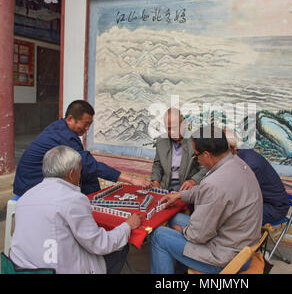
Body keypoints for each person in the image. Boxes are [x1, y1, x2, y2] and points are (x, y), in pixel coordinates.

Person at [10, 145, 142, 274]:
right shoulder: (73, 199)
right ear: (71, 173)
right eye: (80, 170)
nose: (80, 175)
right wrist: (127, 226)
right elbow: (99, 244)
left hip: (21, 267)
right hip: (55, 269)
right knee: (120, 248)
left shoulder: (27, 195)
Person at [149, 125, 263, 274]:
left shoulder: (215, 183)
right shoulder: (237, 164)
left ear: (207, 155)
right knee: (175, 217)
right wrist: (179, 195)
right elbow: (206, 192)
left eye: (196, 155)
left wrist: (183, 232)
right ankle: (182, 266)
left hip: (225, 258)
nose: (197, 160)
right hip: (238, 244)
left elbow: (197, 235)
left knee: (159, 236)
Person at [13, 100, 151, 196]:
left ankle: (94, 206)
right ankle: (94, 213)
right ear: (70, 119)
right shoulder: (63, 136)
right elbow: (89, 165)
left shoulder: (60, 127)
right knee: (86, 175)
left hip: (35, 181)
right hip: (31, 185)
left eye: (90, 124)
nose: (87, 129)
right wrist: (131, 180)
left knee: (86, 177)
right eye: (85, 124)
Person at [225, 129, 290, 225]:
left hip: (272, 208)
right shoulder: (241, 153)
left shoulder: (250, 163)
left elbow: (243, 195)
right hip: (262, 202)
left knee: (228, 217)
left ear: (230, 147)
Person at [150, 108, 207, 192]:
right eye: (168, 129)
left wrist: (194, 180)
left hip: (187, 187)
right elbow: (157, 165)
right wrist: (155, 181)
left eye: (175, 127)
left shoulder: (195, 140)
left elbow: (205, 167)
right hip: (165, 185)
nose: (172, 132)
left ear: (183, 124)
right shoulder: (161, 141)